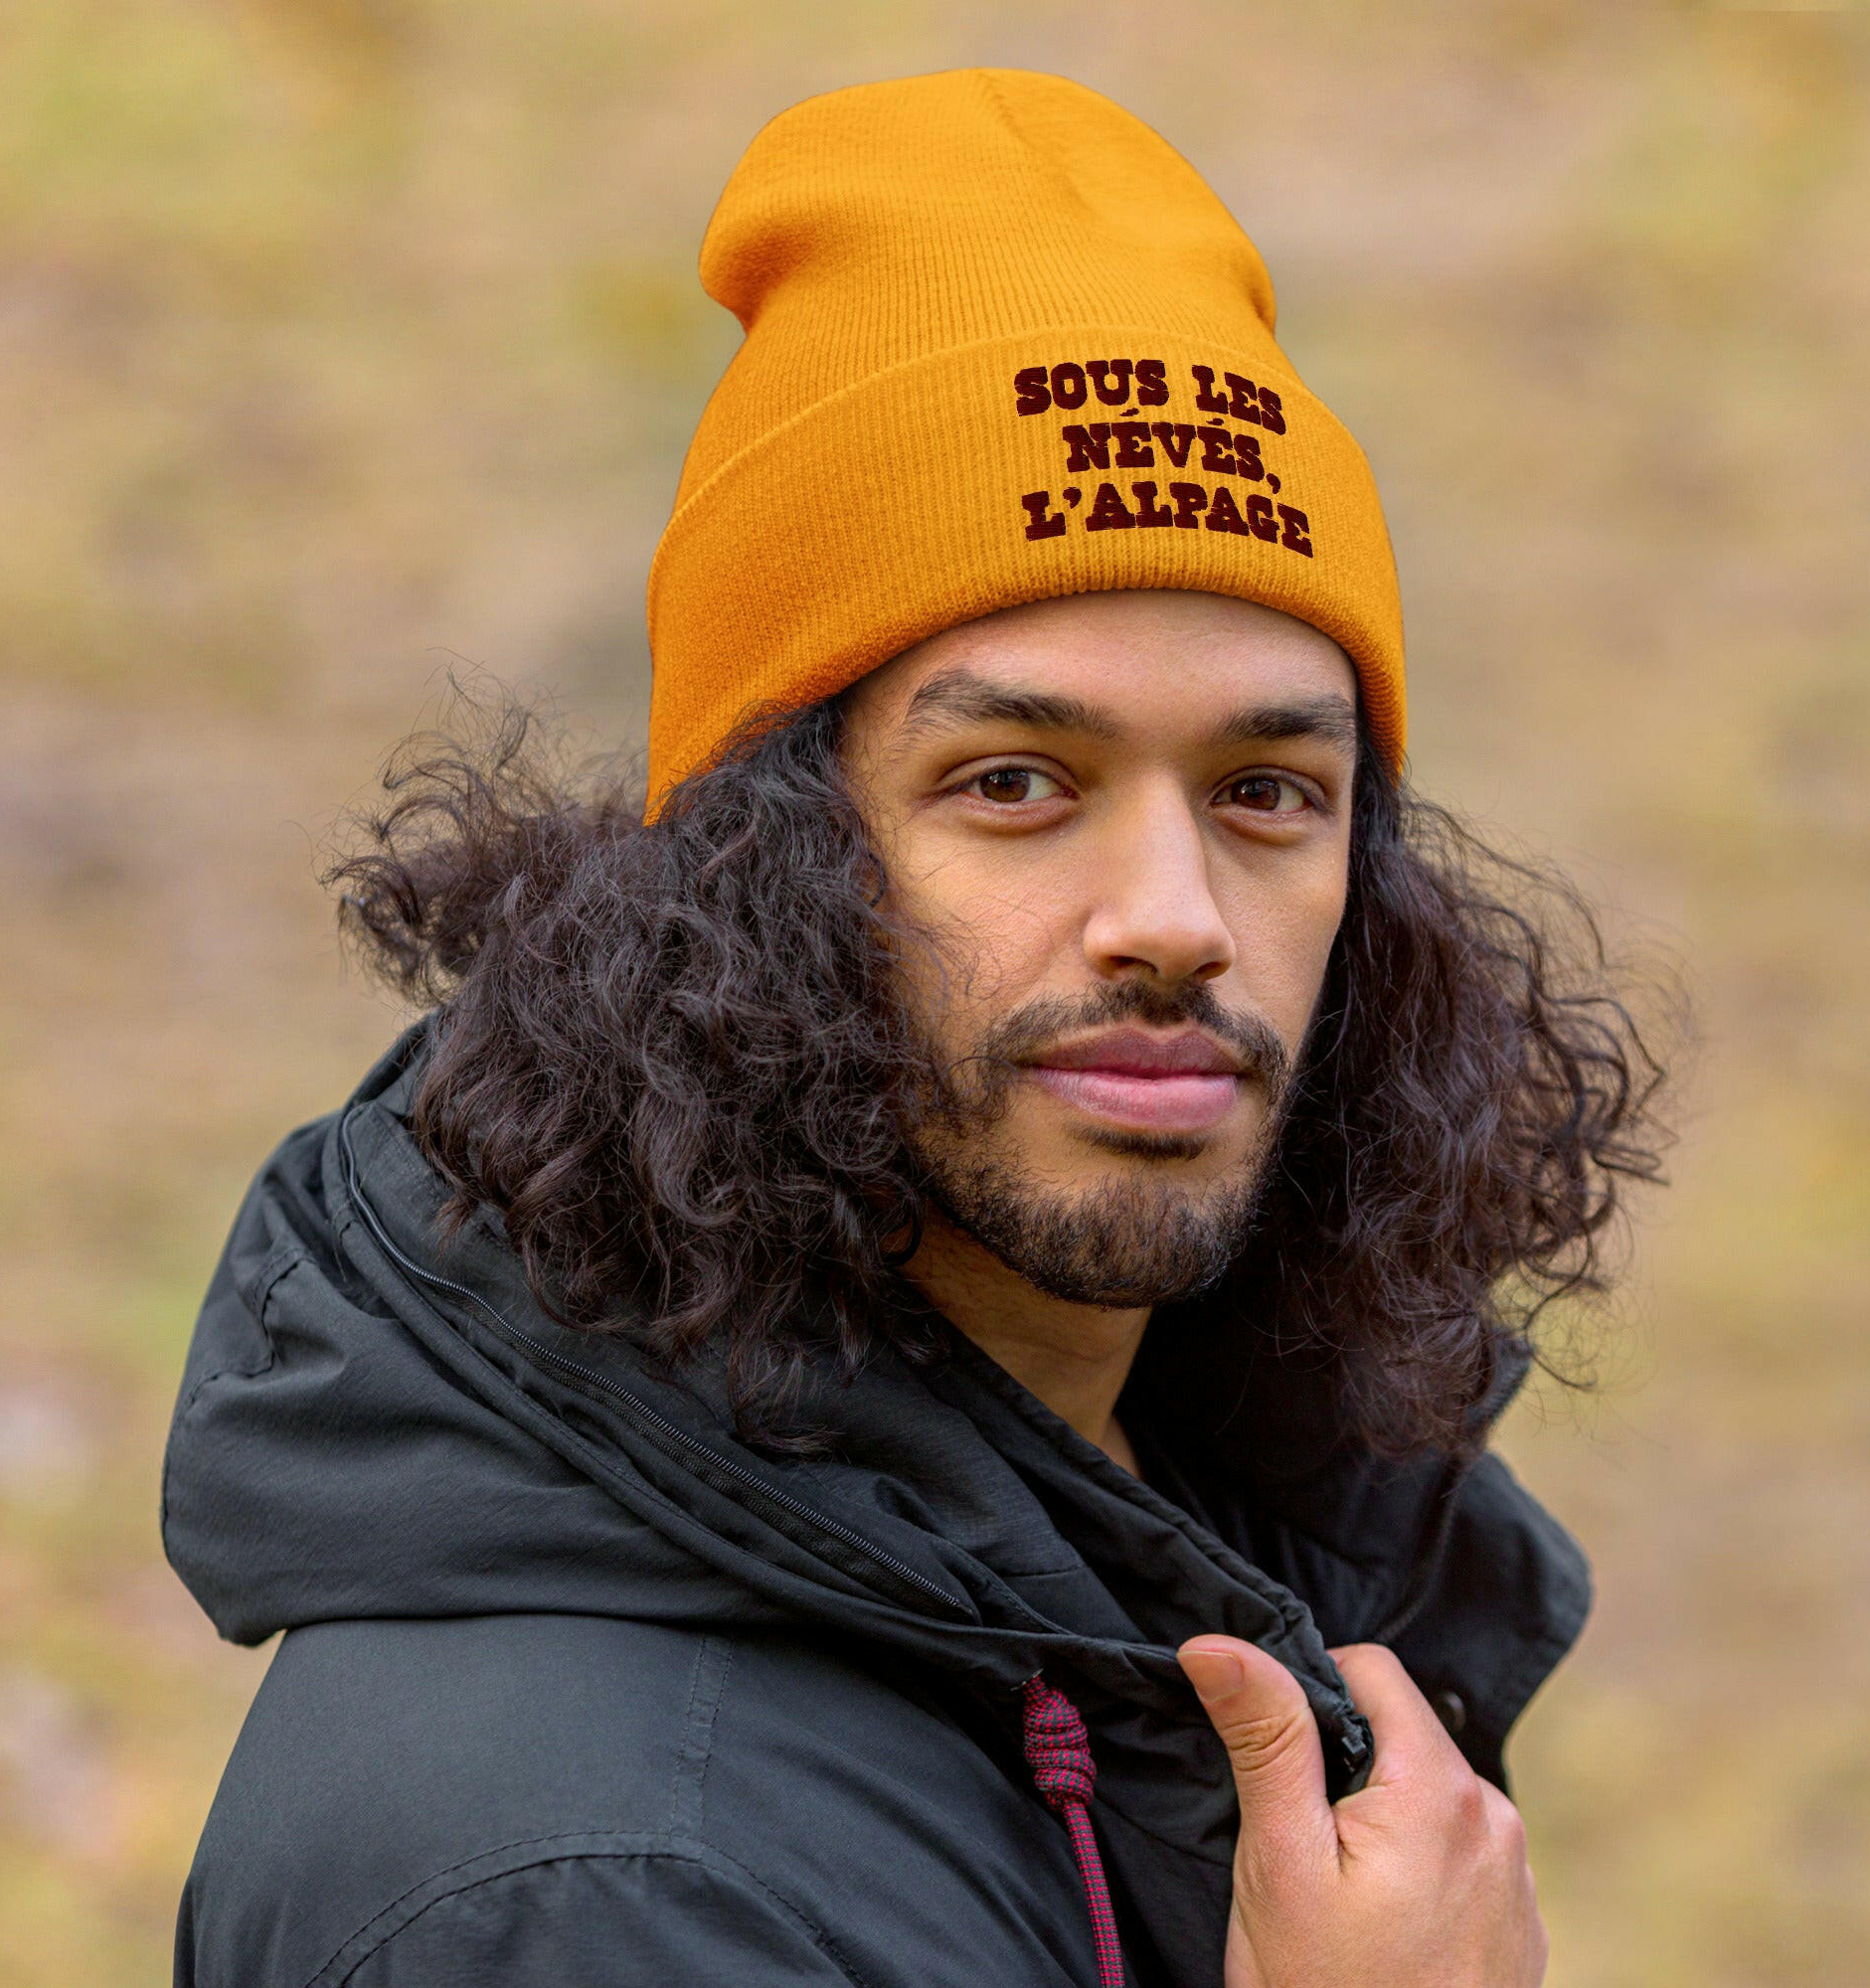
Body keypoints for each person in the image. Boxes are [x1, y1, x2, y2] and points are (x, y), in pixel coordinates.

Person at [166, 70, 1667, 1988]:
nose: (1176, 922)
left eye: (1268, 791)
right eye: (1017, 782)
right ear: (755, 870)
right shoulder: (595, 1888)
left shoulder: (1184, 1522)